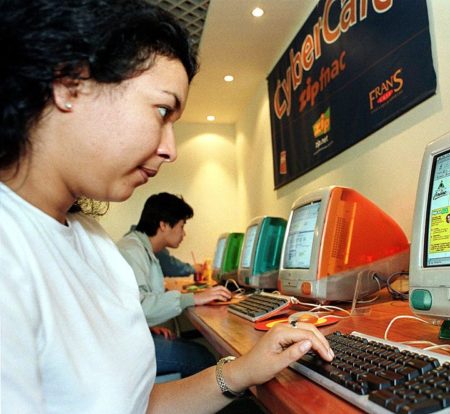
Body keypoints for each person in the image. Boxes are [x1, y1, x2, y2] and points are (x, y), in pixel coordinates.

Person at [0, 1, 333, 413]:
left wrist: (244, 370)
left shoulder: (92, 242)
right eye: (162, 111)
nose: (170, 149)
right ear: (70, 84)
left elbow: (141, 404)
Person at [117, 192, 227, 377]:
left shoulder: (142, 248)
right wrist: (195, 298)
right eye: (182, 226)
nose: (184, 234)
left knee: (195, 347)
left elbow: (129, 304)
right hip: (124, 348)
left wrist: (146, 326)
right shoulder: (132, 251)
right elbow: (140, 305)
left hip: (132, 335)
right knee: (204, 358)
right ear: (163, 224)